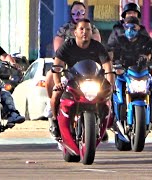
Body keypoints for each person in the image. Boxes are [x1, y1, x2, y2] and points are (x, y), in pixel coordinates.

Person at [46, 1, 102, 138]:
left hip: (88, 68)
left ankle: (102, 122)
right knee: (51, 80)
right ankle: (54, 115)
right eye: (75, 13)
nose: (78, 15)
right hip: (69, 67)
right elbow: (58, 49)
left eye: (81, 12)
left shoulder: (93, 29)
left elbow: (98, 48)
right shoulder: (64, 29)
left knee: (105, 90)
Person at [51, 18, 114, 139]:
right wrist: (58, 83)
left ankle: (102, 124)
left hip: (94, 80)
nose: (84, 31)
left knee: (108, 98)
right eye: (81, 29)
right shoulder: (67, 46)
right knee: (55, 95)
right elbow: (57, 66)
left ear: (91, 32)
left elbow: (108, 67)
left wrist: (110, 84)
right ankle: (55, 121)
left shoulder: (98, 47)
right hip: (71, 79)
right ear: (75, 32)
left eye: (88, 29)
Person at [106, 16, 152, 128]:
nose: (130, 30)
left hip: (141, 73)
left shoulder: (145, 40)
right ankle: (110, 116)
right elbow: (110, 52)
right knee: (110, 89)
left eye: (133, 27)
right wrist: (110, 63)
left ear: (138, 27)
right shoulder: (119, 40)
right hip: (123, 73)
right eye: (127, 27)